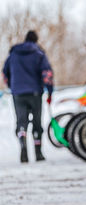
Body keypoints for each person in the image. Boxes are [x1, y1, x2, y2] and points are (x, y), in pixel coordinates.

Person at [2, 30, 54, 163]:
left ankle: (23, 149)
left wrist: (12, 86)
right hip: (35, 93)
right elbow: (47, 74)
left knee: (21, 122)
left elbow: (4, 73)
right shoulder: (39, 54)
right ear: (36, 40)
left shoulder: (13, 54)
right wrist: (50, 91)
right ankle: (38, 153)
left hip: (18, 93)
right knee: (37, 122)